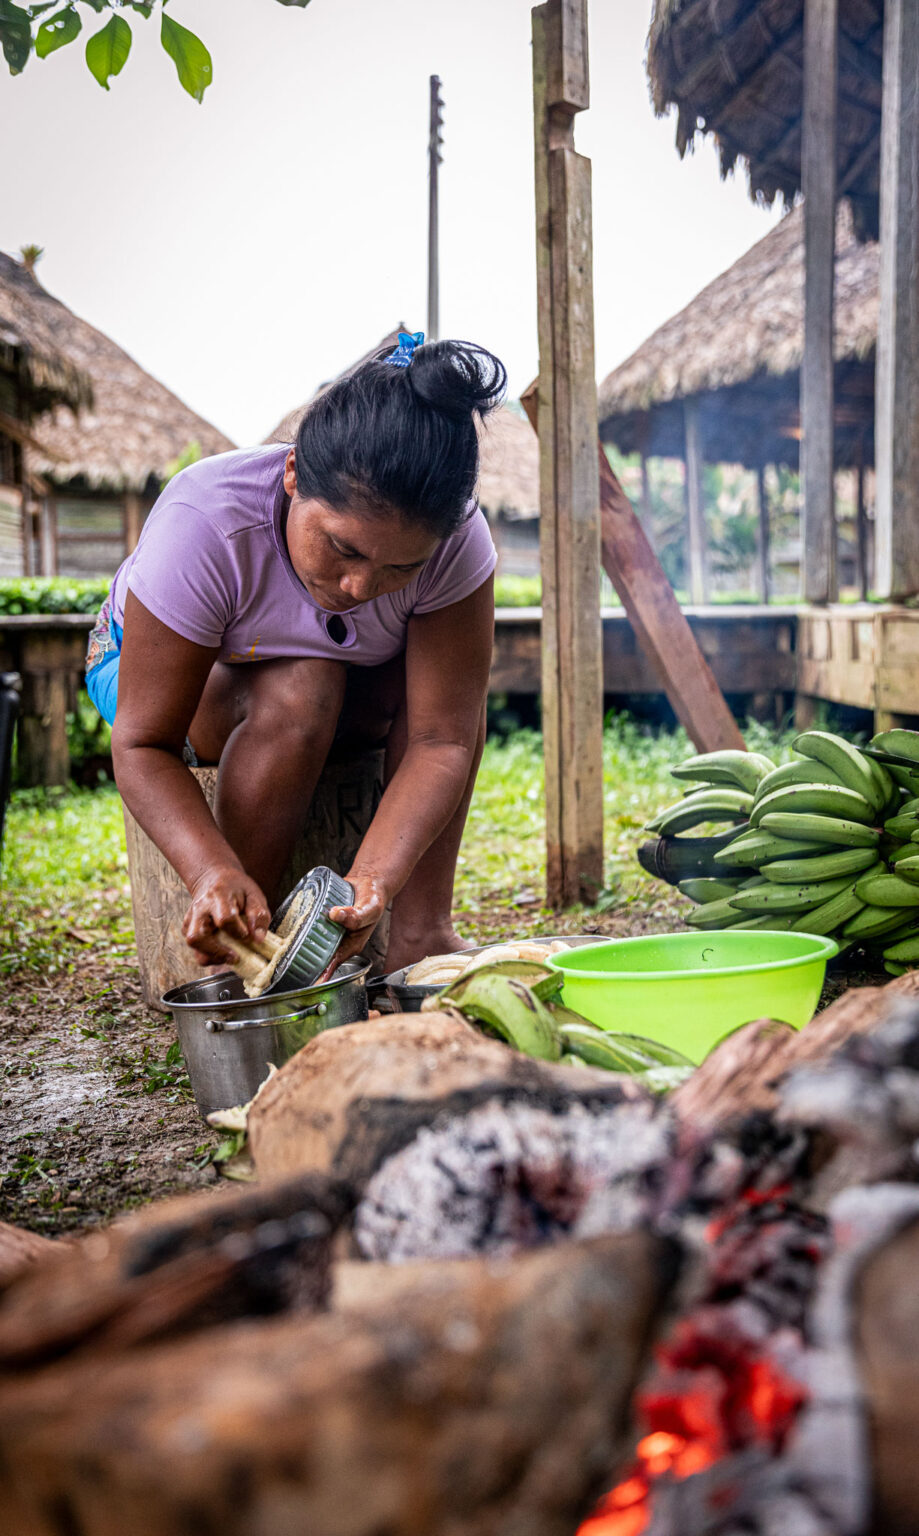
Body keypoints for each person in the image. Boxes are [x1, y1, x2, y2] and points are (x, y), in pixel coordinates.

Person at [85, 332, 506, 975]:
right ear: (291, 475)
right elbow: (144, 744)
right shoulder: (206, 523)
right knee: (302, 685)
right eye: (344, 547)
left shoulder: (456, 543)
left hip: (343, 677)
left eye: (402, 567)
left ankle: (421, 934)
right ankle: (237, 947)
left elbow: (441, 739)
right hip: (152, 670)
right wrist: (213, 870)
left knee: (450, 696)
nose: (361, 587)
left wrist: (372, 880)